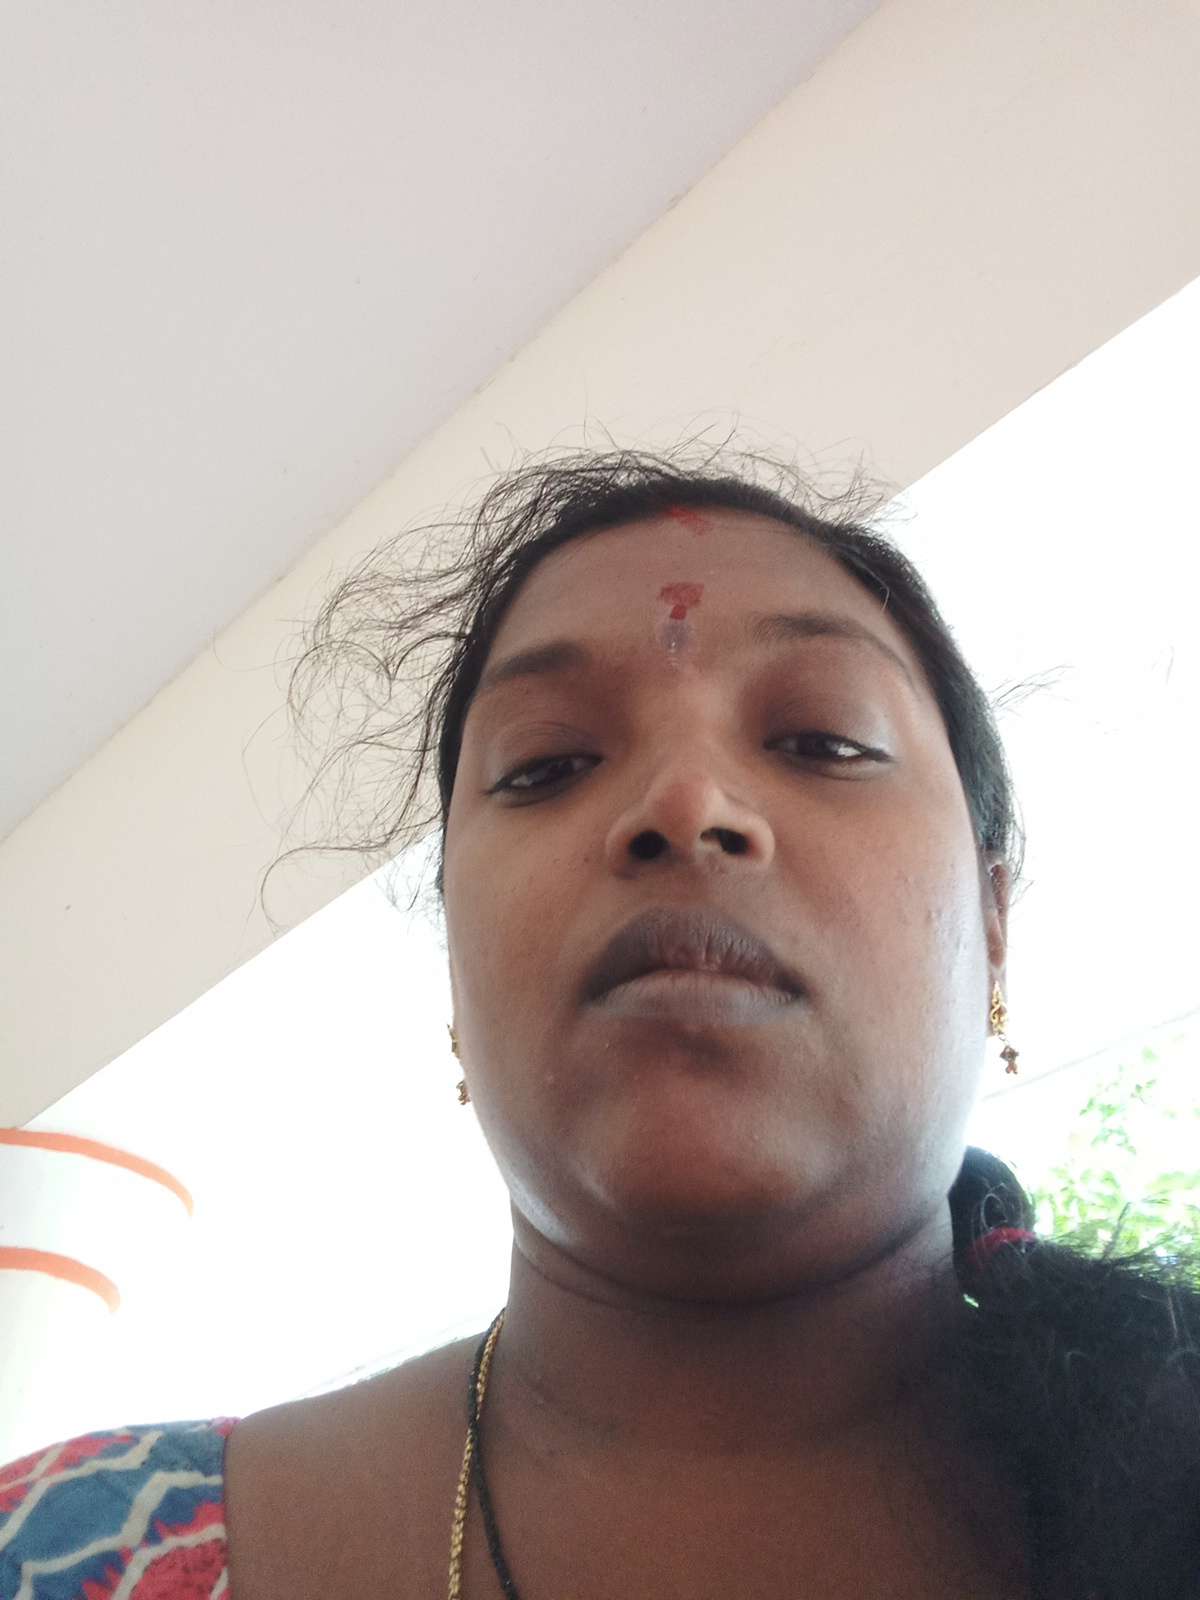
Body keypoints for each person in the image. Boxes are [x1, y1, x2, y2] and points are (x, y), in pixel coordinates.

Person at [2, 446, 1197, 1600]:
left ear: (993, 922)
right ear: (455, 963)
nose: (683, 801)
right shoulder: (58, 1546)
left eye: (823, 740)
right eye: (547, 764)